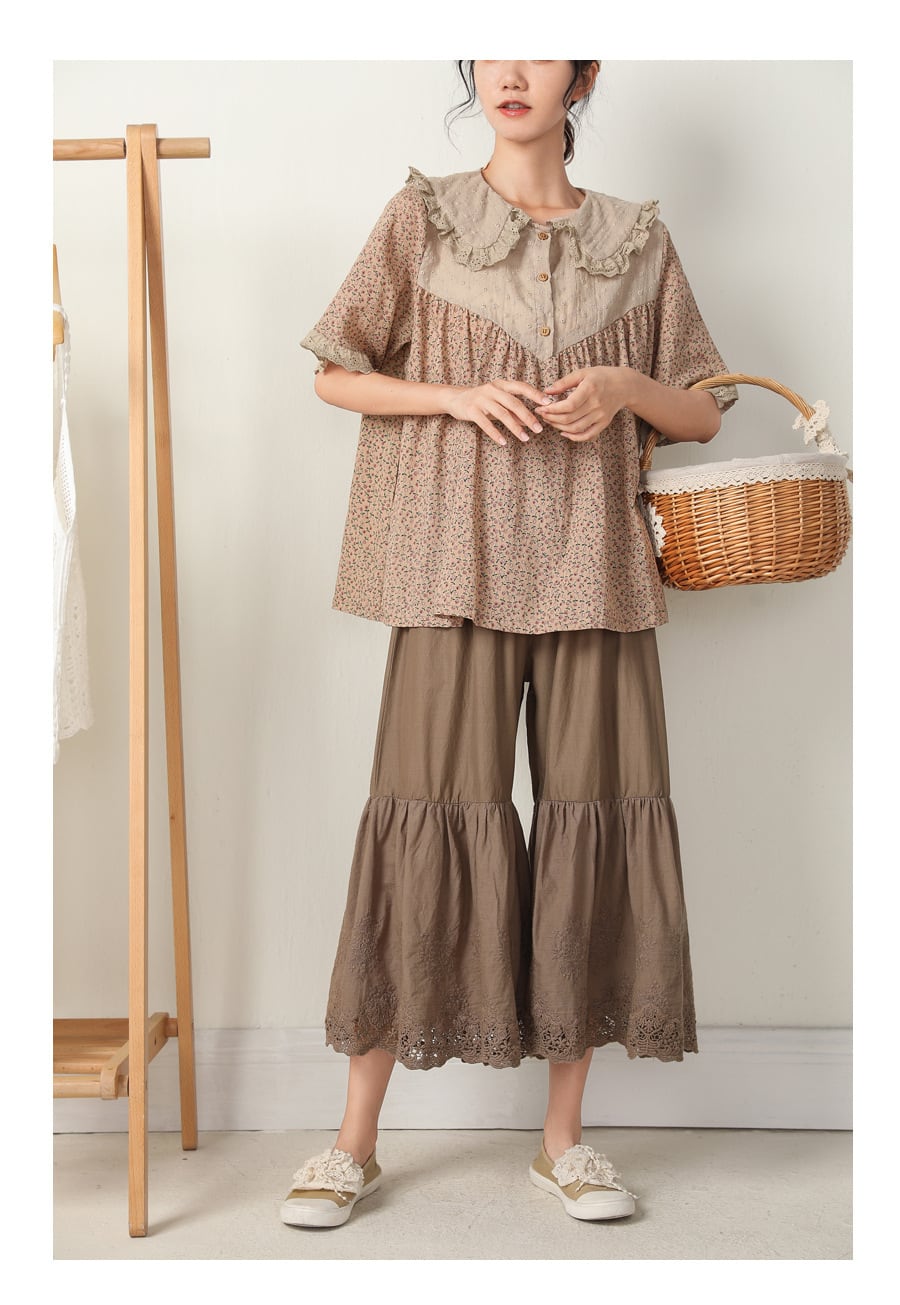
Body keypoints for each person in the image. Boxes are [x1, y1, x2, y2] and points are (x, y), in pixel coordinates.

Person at [281, 59, 739, 1229]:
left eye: (540, 45)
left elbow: (704, 404)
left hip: (596, 571)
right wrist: (451, 396)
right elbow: (336, 373)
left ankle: (564, 1142)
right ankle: (352, 1141)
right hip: (453, 567)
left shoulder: (637, 240)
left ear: (583, 75)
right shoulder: (422, 216)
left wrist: (626, 384)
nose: (512, 70)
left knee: (598, 822)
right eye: (492, 45)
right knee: (422, 819)